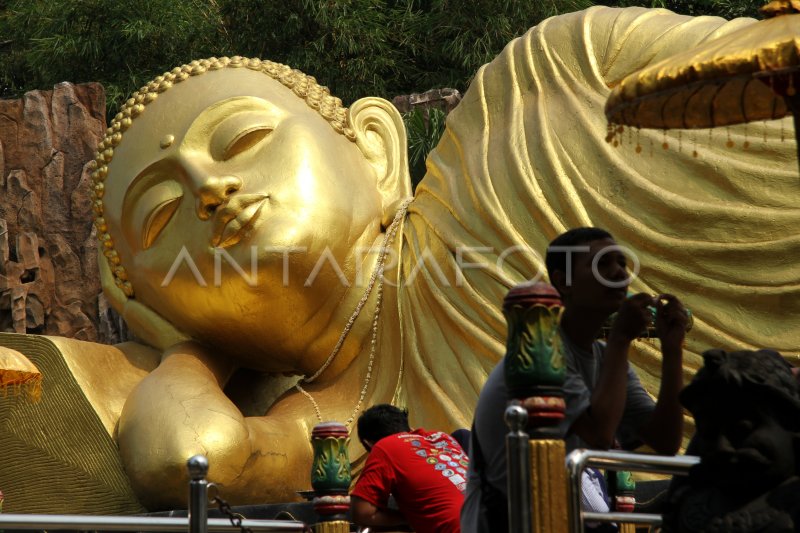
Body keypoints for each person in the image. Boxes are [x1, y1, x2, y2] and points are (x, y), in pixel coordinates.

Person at [1, 7, 797, 512]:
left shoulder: (540, 96)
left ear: (376, 151)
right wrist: (190, 348)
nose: (210, 189)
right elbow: (185, 455)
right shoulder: (316, 425)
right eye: (162, 215)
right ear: (142, 304)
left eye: (242, 141)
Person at [461, 227, 688, 532]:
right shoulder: (540, 351)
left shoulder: (606, 357)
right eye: (602, 264)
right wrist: (621, 338)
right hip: (510, 522)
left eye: (621, 263)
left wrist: (672, 351)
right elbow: (600, 434)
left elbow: (665, 441)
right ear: (562, 282)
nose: (618, 273)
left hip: (559, 516)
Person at [663, 349, 800, 531]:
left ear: (792, 425)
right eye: (709, 433)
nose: (723, 447)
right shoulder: (690, 505)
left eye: (742, 430)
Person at [351, 404, 468, 533]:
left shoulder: (385, 447)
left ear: (369, 444)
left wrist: (405, 519)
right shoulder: (444, 438)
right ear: (409, 428)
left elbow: (362, 512)